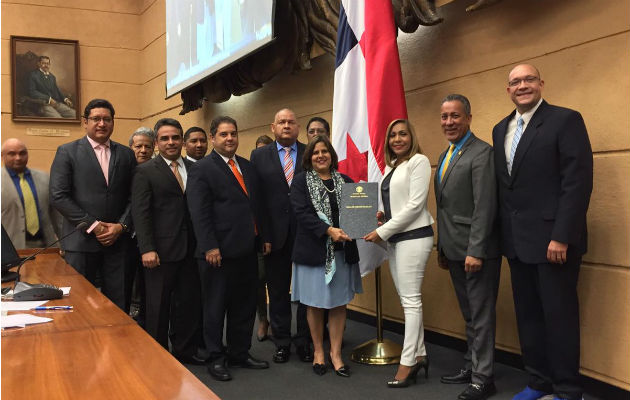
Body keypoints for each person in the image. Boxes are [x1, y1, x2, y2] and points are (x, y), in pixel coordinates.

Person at [492, 64, 593, 400]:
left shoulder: (565, 120)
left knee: (559, 318)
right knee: (529, 317)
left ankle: (567, 389)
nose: (523, 85)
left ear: (541, 84)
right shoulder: (499, 129)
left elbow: (576, 183)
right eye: (515, 82)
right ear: (507, 90)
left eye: (529, 79)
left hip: (555, 243)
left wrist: (562, 235)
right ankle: (538, 382)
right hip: (517, 243)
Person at [187, 116, 270, 381]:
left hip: (247, 250)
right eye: (223, 134)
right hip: (217, 254)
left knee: (244, 306)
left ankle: (239, 352)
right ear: (213, 138)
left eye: (233, 134)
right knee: (215, 307)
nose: (229, 139)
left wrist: (263, 237)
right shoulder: (202, 169)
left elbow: (256, 206)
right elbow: (199, 213)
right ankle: (216, 357)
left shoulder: (246, 166)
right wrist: (210, 245)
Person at [435, 94, 501, 400]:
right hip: (454, 249)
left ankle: (483, 378)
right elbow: (446, 207)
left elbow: (484, 207)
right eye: (445, 116)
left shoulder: (481, 153)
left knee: (481, 313)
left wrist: (476, 250)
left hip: (476, 252)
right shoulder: (448, 153)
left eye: (455, 116)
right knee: (469, 314)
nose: (449, 122)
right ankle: (471, 365)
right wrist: (442, 248)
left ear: (469, 118)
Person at [364, 119, 434, 388]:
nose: (397, 139)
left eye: (403, 134)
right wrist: (380, 216)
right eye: (392, 135)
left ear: (411, 136)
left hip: (414, 238)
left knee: (411, 301)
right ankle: (420, 353)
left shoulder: (419, 161)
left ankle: (408, 362)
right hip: (397, 239)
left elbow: (416, 206)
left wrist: (382, 232)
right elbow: (395, 204)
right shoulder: (392, 167)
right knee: (408, 300)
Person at [49, 98, 136, 310]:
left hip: (117, 243)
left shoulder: (126, 154)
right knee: (78, 306)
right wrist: (93, 225)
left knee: (118, 307)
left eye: (107, 119)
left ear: (113, 123)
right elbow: (58, 195)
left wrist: (121, 226)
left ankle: (118, 344)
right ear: (85, 122)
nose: (102, 123)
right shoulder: (67, 152)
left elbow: (135, 196)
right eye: (96, 119)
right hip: (80, 243)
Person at [131, 118, 203, 363]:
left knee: (188, 305)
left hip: (191, 250)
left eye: (175, 137)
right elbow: (141, 213)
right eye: (165, 138)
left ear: (182, 141)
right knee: (157, 306)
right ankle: (158, 355)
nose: (171, 142)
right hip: (159, 252)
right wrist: (147, 248)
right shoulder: (145, 171)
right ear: (156, 143)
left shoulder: (195, 169)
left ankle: (185, 351)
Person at [291, 135, 362, 377]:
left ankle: (336, 354)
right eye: (315, 152)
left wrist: (368, 219)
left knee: (339, 304)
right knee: (315, 304)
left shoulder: (346, 180)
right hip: (313, 253)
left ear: (332, 155)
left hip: (342, 254)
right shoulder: (300, 182)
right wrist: (327, 231)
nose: (321, 155)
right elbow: (301, 213)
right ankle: (319, 352)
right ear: (309, 158)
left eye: (325, 151)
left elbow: (356, 215)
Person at [250, 108, 313, 364]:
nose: (286, 126)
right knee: (277, 292)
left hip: (306, 234)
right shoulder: (259, 155)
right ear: (272, 127)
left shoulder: (311, 152)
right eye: (281, 122)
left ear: (298, 127)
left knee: (306, 293)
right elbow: (256, 200)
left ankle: (304, 341)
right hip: (273, 237)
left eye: (291, 122)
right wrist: (261, 234)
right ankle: (283, 342)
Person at [1, 138, 60, 248]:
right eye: (12, 154)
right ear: (2, 156)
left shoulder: (45, 178)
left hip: (46, 246)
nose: (18, 158)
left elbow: (56, 214)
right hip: (11, 249)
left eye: (22, 153)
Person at [125, 127, 155, 321]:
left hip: (152, 240)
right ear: (130, 148)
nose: (143, 150)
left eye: (147, 146)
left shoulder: (158, 171)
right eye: (138, 146)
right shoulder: (122, 170)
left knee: (148, 289)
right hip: (124, 238)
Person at [253, 134, 274, 342]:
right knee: (259, 279)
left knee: (277, 282)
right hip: (259, 237)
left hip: (280, 234)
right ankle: (262, 319)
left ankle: (276, 321)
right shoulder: (250, 174)